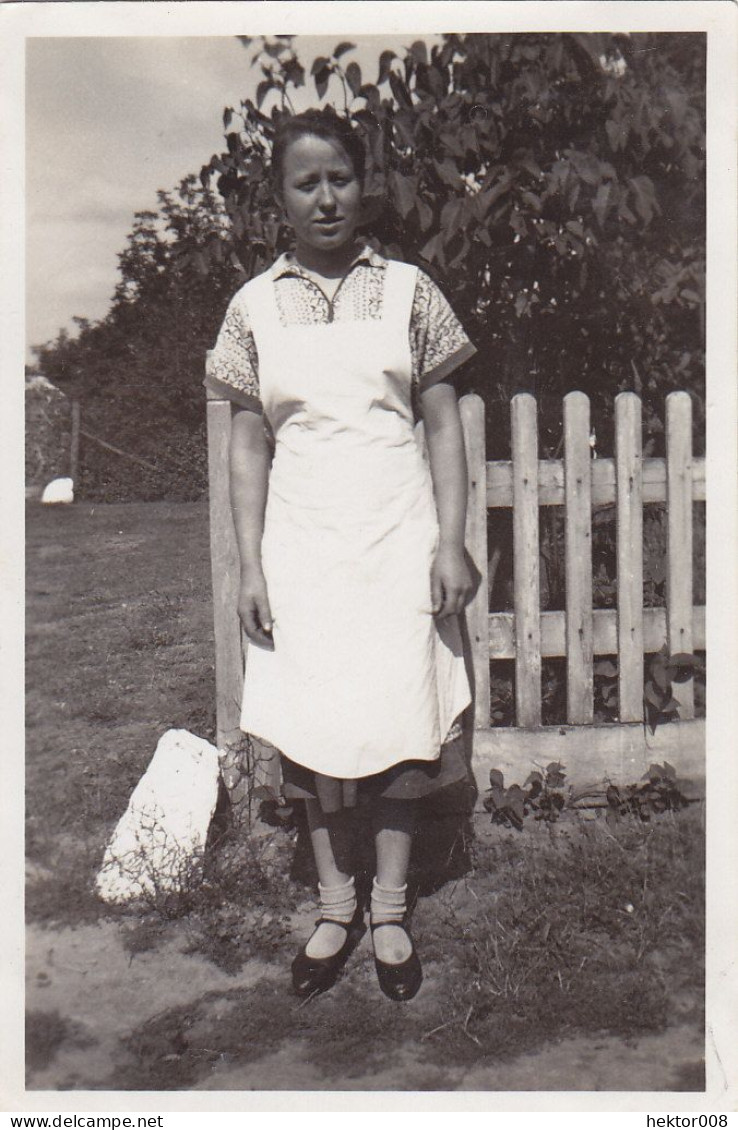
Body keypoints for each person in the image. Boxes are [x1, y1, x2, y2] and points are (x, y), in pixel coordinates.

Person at [206, 108, 476, 1002]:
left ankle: (390, 911)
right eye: (305, 182)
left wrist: (450, 541)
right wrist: (251, 563)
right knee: (315, 721)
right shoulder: (253, 306)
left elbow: (441, 424)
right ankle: (333, 906)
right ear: (280, 198)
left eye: (340, 179)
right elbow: (249, 443)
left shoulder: (408, 290)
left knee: (401, 717)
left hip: (397, 533)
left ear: (365, 188)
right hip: (304, 541)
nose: (326, 198)